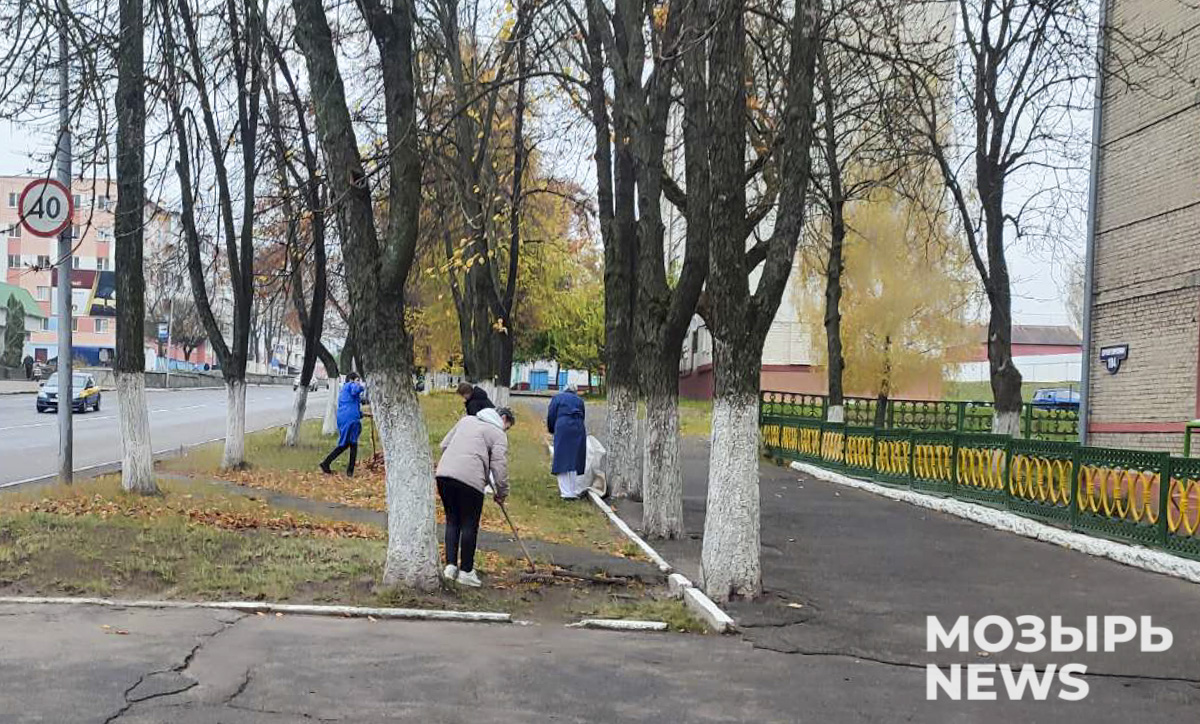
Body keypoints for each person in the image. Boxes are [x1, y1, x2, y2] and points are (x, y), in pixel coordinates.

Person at [436, 406, 515, 587]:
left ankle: (450, 567)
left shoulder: (466, 420)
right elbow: (499, 467)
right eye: (508, 427)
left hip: (444, 475)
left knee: (452, 521)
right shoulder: (498, 434)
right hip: (470, 481)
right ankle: (466, 572)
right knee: (469, 524)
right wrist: (502, 492)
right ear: (503, 418)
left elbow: (444, 445)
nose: (506, 430)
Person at [320, 372, 366, 477]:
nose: (358, 382)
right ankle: (349, 472)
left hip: (344, 419)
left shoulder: (344, 390)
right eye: (357, 380)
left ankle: (326, 463)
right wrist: (362, 386)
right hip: (351, 420)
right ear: (351, 380)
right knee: (353, 444)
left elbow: (349, 404)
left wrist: (360, 414)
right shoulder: (351, 385)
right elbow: (355, 390)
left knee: (346, 444)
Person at [547, 384, 587, 499]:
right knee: (574, 459)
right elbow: (583, 415)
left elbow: (551, 415)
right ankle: (573, 491)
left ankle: (566, 493)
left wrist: (552, 429)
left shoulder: (557, 398)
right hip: (578, 427)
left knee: (562, 458)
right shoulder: (579, 400)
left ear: (564, 390)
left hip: (563, 426)